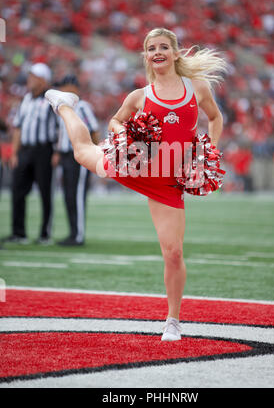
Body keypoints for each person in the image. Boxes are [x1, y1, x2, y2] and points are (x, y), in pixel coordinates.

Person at [45, 28, 226, 341]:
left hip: (168, 181)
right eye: (151, 48)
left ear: (175, 52)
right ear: (146, 55)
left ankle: (173, 321)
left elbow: (215, 118)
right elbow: (115, 121)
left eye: (163, 47)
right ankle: (64, 105)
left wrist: (207, 150)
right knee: (82, 152)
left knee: (173, 252)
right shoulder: (140, 96)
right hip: (137, 163)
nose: (157, 52)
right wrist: (126, 135)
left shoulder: (197, 87)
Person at [4, 63, 58, 245]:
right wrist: (14, 152)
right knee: (17, 191)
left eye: (34, 76)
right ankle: (19, 233)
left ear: (43, 79)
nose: (29, 80)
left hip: (44, 149)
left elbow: (60, 128)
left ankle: (45, 233)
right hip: (25, 150)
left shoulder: (52, 99)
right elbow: (18, 127)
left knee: (45, 191)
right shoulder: (26, 99)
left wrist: (56, 151)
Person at [52, 75, 100, 246]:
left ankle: (78, 235)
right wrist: (57, 152)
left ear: (73, 87)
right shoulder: (63, 107)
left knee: (78, 196)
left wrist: (93, 152)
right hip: (65, 155)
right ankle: (73, 233)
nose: (62, 90)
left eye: (64, 86)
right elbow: (61, 133)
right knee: (69, 196)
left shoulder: (82, 106)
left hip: (79, 157)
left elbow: (94, 130)